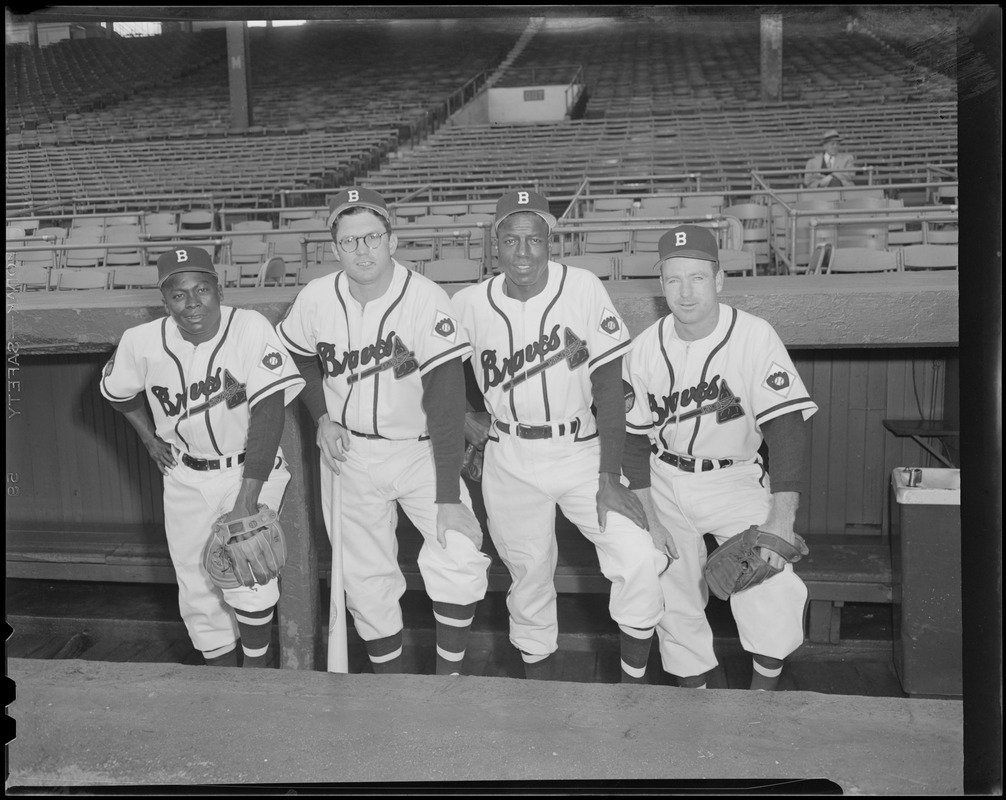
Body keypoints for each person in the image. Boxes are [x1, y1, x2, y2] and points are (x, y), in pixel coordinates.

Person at [453, 189, 668, 683]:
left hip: (581, 451)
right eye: (511, 240)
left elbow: (610, 389)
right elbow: (427, 370)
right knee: (528, 577)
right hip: (509, 455)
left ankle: (632, 690)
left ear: (551, 241)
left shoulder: (584, 288)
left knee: (638, 553)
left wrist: (610, 476)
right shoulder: (467, 303)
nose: (523, 253)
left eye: (534, 240)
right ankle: (540, 696)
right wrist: (464, 414)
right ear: (495, 244)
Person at [277, 187, 490, 675]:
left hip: (420, 451)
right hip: (350, 453)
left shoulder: (425, 299)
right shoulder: (316, 298)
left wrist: (447, 495)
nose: (362, 250)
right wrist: (322, 417)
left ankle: (448, 680)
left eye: (372, 236)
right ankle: (389, 689)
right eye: (349, 241)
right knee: (366, 581)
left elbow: (444, 401)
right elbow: (297, 354)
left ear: (392, 241)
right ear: (335, 249)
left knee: (458, 551)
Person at [621, 224, 819, 691]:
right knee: (670, 590)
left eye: (697, 278)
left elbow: (787, 427)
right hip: (664, 477)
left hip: (733, 479)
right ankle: (697, 708)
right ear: (662, 284)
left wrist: (781, 518)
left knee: (772, 582)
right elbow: (633, 440)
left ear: (719, 280)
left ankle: (760, 707)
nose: (685, 292)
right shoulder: (645, 347)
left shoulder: (754, 337)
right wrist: (650, 517)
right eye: (673, 279)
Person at [100, 246, 305, 668]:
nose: (192, 303)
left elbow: (269, 414)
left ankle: (257, 679)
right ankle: (221, 685)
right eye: (179, 295)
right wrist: (149, 438)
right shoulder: (141, 342)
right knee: (195, 585)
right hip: (185, 475)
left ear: (219, 290)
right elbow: (117, 393)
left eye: (202, 290)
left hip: (248, 467)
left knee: (249, 571)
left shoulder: (249, 327)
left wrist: (246, 501)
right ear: (165, 300)